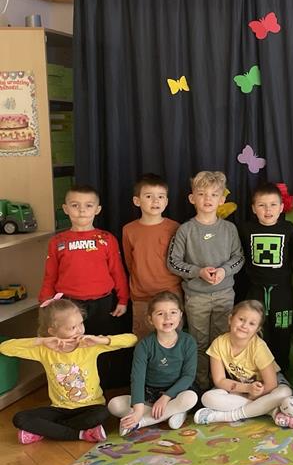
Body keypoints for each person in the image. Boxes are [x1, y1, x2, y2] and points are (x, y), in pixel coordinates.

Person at [0, 299, 136, 443]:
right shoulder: (44, 350)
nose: (80, 330)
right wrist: (41, 341)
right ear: (53, 331)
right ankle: (81, 434)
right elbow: (5, 348)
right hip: (59, 409)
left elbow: (132, 339)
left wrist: (101, 340)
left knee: (102, 413)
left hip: (91, 407)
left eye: (81, 323)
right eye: (72, 327)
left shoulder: (89, 345)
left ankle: (48, 430)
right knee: (20, 418)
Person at [167, 170, 244, 391]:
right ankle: (201, 386)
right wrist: (198, 271)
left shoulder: (229, 229)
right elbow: (173, 262)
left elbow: (239, 258)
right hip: (196, 298)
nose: (207, 199)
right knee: (198, 342)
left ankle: (221, 385)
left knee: (222, 341)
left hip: (224, 295)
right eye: (201, 194)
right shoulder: (185, 230)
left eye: (213, 194)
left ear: (222, 200)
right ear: (192, 198)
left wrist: (224, 271)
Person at [39, 185, 129, 340]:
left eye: (88, 205)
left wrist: (123, 299)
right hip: (68, 303)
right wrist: (45, 301)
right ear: (65, 209)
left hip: (102, 303)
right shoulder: (57, 241)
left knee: (99, 343)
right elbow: (50, 275)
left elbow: (117, 272)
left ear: (97, 209)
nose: (82, 210)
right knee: (70, 343)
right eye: (75, 205)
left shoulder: (107, 239)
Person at [108, 292, 198, 435]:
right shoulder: (144, 345)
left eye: (173, 312)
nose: (167, 318)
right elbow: (138, 378)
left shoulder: (188, 342)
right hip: (150, 394)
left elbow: (188, 376)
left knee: (190, 398)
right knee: (114, 405)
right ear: (150, 319)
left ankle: (141, 422)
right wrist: (138, 410)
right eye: (160, 314)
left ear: (180, 315)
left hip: (177, 392)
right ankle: (172, 413)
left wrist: (165, 398)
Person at [193, 300, 292, 424]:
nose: (244, 326)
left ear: (257, 329)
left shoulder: (258, 347)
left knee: (285, 393)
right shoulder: (219, 343)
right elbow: (219, 380)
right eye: (241, 319)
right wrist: (247, 389)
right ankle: (267, 410)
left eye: (252, 323)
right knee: (208, 398)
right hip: (240, 387)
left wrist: (254, 394)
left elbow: (271, 384)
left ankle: (229, 416)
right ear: (230, 319)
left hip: (267, 389)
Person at [237, 182, 293, 373]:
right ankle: (257, 372)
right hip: (255, 290)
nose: (268, 210)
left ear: (281, 207)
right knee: (255, 332)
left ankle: (282, 373)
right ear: (254, 208)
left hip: (282, 292)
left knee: (282, 333)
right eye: (262, 205)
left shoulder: (288, 229)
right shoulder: (245, 229)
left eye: (273, 205)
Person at [121, 173, 181, 338]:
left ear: (166, 201)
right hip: (142, 296)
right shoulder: (129, 230)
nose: (155, 201)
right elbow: (129, 262)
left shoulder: (175, 227)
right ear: (137, 201)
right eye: (149, 196)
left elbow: (181, 261)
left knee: (172, 339)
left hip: (171, 293)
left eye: (160, 197)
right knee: (144, 340)